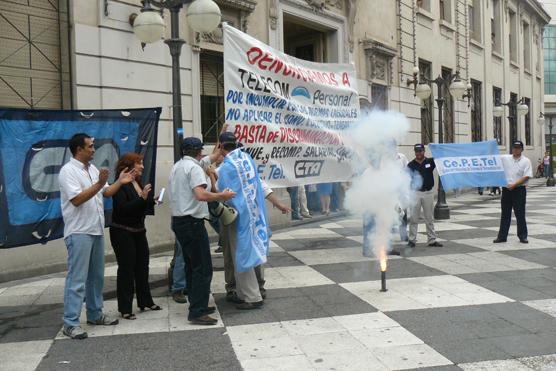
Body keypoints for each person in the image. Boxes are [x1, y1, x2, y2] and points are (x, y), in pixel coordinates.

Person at [59, 133, 135, 339]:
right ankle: (70, 322)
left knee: (96, 277)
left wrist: (119, 181)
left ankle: (95, 313)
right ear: (79, 149)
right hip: (79, 232)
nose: (94, 149)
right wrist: (99, 184)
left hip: (96, 229)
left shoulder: (91, 169)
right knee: (77, 279)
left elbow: (106, 192)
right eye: (90, 146)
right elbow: (77, 199)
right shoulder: (68, 172)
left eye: (93, 146)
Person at [169, 137, 235, 325]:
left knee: (192, 266)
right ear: (199, 151)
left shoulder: (179, 166)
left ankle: (197, 303)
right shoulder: (195, 168)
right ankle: (197, 311)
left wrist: (219, 149)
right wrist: (222, 195)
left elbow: (211, 158)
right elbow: (200, 194)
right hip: (192, 223)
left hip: (180, 222)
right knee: (203, 268)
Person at [215, 132, 272, 310]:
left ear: (222, 147)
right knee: (252, 251)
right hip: (255, 214)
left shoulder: (226, 167)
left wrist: (211, 176)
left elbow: (221, 192)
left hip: (238, 217)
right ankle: (255, 290)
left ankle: (251, 296)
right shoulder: (246, 158)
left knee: (240, 255)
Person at [108, 153, 161, 320]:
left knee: (142, 266)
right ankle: (125, 308)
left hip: (138, 230)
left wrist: (151, 200)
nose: (143, 167)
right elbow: (124, 209)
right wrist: (143, 198)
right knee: (126, 269)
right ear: (129, 166)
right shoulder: (120, 184)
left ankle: (145, 301)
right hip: (122, 231)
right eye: (139, 163)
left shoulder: (137, 182)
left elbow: (139, 206)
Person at [493, 140, 533, 244]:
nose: (516, 150)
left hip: (519, 190)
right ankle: (502, 237)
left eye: (518, 148)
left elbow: (526, 176)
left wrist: (514, 185)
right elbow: (493, 158)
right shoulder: (505, 158)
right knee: (505, 214)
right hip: (506, 191)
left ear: (522, 149)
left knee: (520, 214)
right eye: (514, 147)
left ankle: (523, 236)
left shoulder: (526, 161)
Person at [407, 144, 443, 248]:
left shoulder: (430, 162)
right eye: (417, 151)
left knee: (429, 218)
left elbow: (441, 157)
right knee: (414, 218)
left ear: (424, 151)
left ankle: (432, 240)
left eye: (420, 151)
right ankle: (412, 240)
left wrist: (436, 147)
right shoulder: (410, 165)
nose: (419, 153)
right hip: (415, 193)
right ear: (415, 152)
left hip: (428, 193)